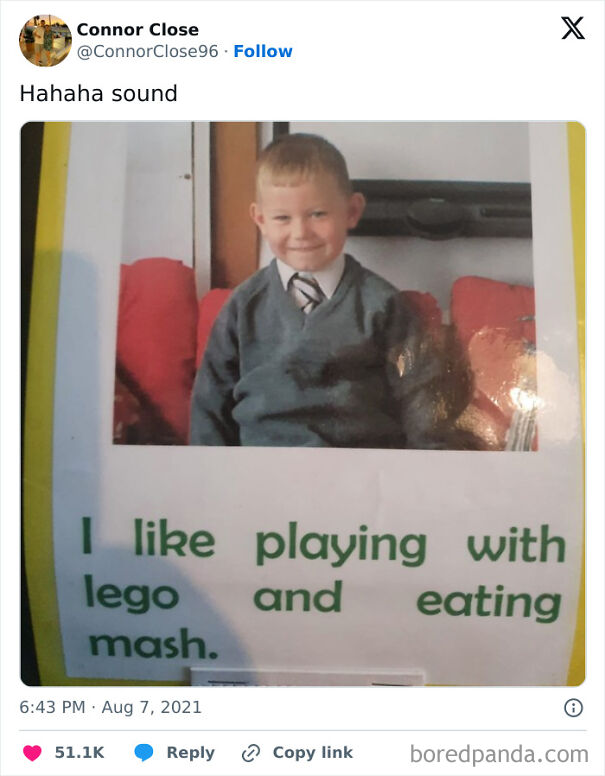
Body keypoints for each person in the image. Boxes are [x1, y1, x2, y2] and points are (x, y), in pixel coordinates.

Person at [190, 133, 473, 448]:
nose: (301, 233)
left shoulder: (382, 304)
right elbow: (210, 406)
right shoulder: (242, 306)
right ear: (260, 220)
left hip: (356, 469)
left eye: (317, 214)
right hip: (264, 469)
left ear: (351, 211)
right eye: (282, 218)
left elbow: (423, 399)